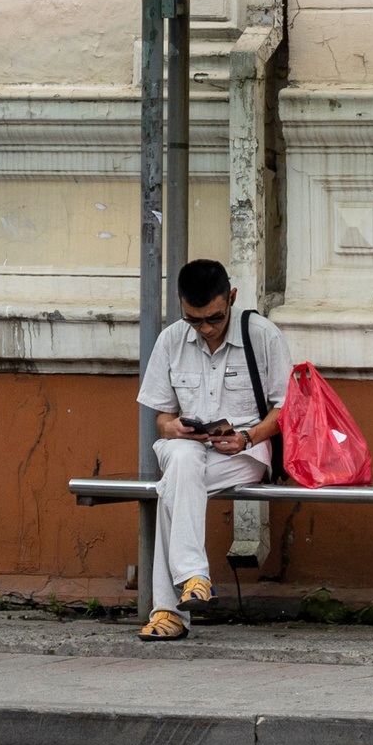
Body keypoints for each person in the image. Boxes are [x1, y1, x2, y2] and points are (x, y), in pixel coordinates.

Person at [134, 258, 292, 641]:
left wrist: (249, 437)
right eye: (194, 320)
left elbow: (287, 408)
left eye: (214, 319)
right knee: (182, 465)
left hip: (244, 454)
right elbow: (162, 418)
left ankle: (170, 612)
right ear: (180, 305)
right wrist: (172, 427)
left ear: (232, 298)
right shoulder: (171, 339)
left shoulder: (262, 335)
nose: (205, 328)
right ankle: (194, 579)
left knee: (173, 487)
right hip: (185, 449)